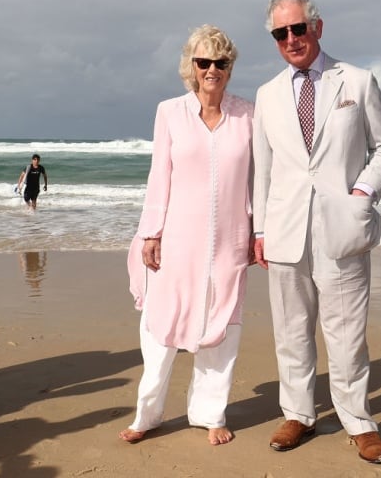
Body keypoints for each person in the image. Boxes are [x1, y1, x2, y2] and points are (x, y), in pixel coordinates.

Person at [252, 0, 381, 463]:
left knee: (346, 333)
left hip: (342, 228)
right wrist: (258, 231)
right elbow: (264, 168)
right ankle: (298, 414)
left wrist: (362, 194)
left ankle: (358, 421)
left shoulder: (356, 81)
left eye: (298, 28)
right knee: (292, 331)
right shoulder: (267, 94)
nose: (291, 38)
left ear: (317, 26)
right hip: (284, 230)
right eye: (281, 33)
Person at [120, 24, 254, 446]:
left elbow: (259, 179)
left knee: (222, 325)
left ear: (230, 68)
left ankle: (209, 414)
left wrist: (258, 230)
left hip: (230, 239)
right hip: (177, 237)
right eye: (204, 61)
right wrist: (151, 232)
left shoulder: (248, 115)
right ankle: (148, 414)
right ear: (191, 67)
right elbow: (160, 173)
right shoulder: (169, 112)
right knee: (161, 326)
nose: (212, 69)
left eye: (220, 62)